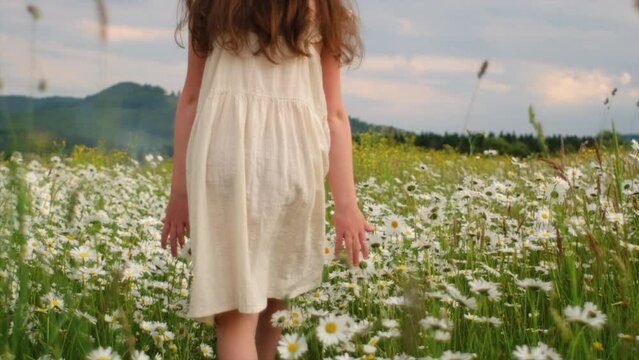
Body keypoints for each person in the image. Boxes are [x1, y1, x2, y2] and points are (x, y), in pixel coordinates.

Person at [160, 0, 375, 358]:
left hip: (224, 155)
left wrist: (179, 195)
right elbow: (335, 113)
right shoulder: (322, 7)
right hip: (295, 160)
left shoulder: (211, 4)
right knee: (276, 296)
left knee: (235, 311)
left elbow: (192, 99)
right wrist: (347, 205)